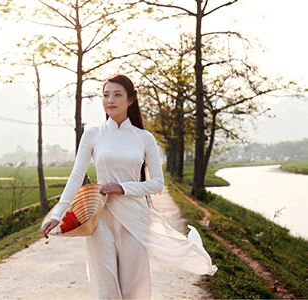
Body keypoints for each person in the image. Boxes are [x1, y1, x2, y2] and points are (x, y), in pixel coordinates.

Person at [40, 74, 217, 299]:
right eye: (106, 95)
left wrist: (123, 188)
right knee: (106, 289)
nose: (110, 100)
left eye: (117, 95)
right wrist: (57, 214)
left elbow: (156, 183)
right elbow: (76, 176)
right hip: (100, 217)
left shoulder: (144, 138)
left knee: (132, 288)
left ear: (131, 100)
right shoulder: (93, 135)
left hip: (134, 217)